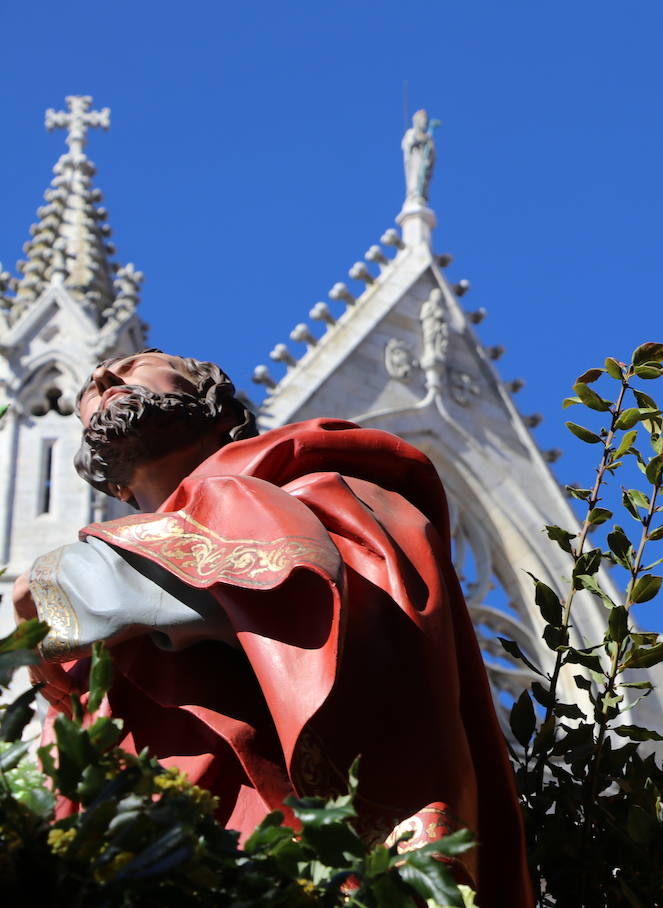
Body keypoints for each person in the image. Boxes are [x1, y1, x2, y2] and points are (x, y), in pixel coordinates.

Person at [11, 349, 532, 907]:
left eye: (139, 363)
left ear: (219, 412)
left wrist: (55, 580)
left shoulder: (323, 487)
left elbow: (291, 584)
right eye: (88, 391)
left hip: (290, 856)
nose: (101, 377)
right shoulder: (90, 624)